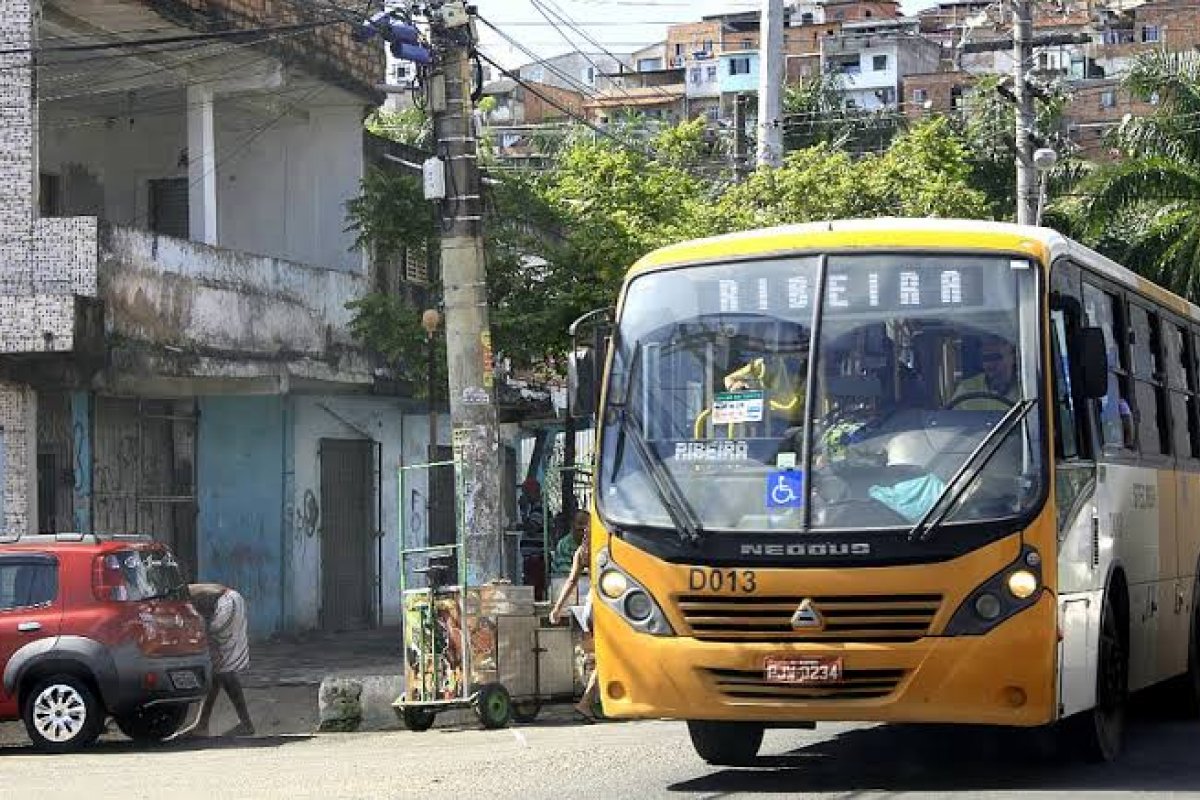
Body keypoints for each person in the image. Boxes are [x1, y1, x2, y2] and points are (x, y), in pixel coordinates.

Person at [548, 513, 599, 723]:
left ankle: (593, 701)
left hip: (591, 607)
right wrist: (557, 608)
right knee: (608, 658)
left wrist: (557, 608)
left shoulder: (582, 552)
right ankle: (586, 702)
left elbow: (571, 581)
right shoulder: (603, 548)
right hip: (603, 609)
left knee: (602, 658)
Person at [189, 582, 255, 737]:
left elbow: (200, 621)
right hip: (230, 602)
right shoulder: (175, 592)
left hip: (227, 604)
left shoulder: (173, 597)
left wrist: (213, 647)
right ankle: (202, 724)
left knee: (224, 669)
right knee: (218, 670)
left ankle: (245, 724)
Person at [948, 335, 1020, 410]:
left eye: (996, 357)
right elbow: (952, 415)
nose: (990, 365)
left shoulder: (1024, 389)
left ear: (1013, 358)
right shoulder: (966, 389)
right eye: (986, 358)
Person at [552, 509, 588, 575]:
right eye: (580, 523)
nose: (584, 527)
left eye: (587, 524)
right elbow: (564, 569)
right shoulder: (563, 544)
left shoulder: (595, 543)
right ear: (572, 525)